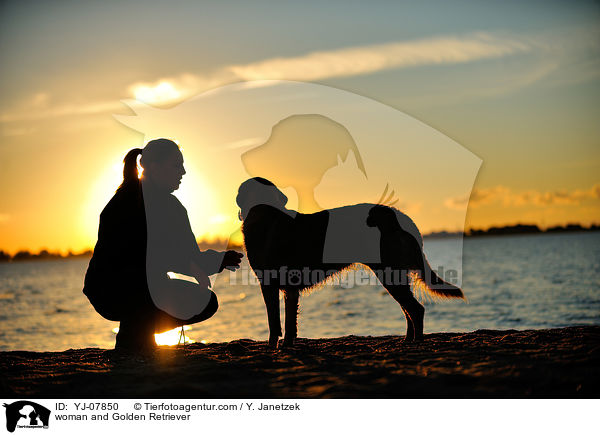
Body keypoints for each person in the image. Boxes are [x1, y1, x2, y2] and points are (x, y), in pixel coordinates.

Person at [83, 138, 243, 353]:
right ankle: (135, 336)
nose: (183, 172)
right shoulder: (125, 203)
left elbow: (187, 255)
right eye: (176, 165)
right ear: (154, 167)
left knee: (206, 301)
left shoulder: (173, 206)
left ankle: (139, 334)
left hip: (144, 288)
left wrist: (217, 260)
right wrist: (195, 265)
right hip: (110, 290)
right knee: (141, 283)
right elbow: (145, 257)